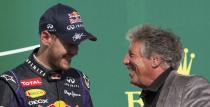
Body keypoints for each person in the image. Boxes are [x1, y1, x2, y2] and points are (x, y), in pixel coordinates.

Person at [0, 3, 96, 107]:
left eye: (77, 44)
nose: (75, 51)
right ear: (45, 38)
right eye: (69, 43)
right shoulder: (13, 84)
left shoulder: (79, 80)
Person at [123, 24, 210, 107]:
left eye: (132, 55)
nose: (125, 61)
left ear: (155, 60)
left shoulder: (190, 87)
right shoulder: (149, 97)